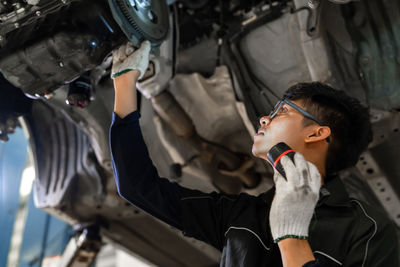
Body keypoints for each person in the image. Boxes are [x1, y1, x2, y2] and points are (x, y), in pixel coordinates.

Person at [109, 41, 399, 266]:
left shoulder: (368, 232)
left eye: (282, 112)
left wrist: (292, 238)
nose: (264, 119)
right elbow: (137, 186)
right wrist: (125, 86)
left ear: (317, 132)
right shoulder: (243, 214)